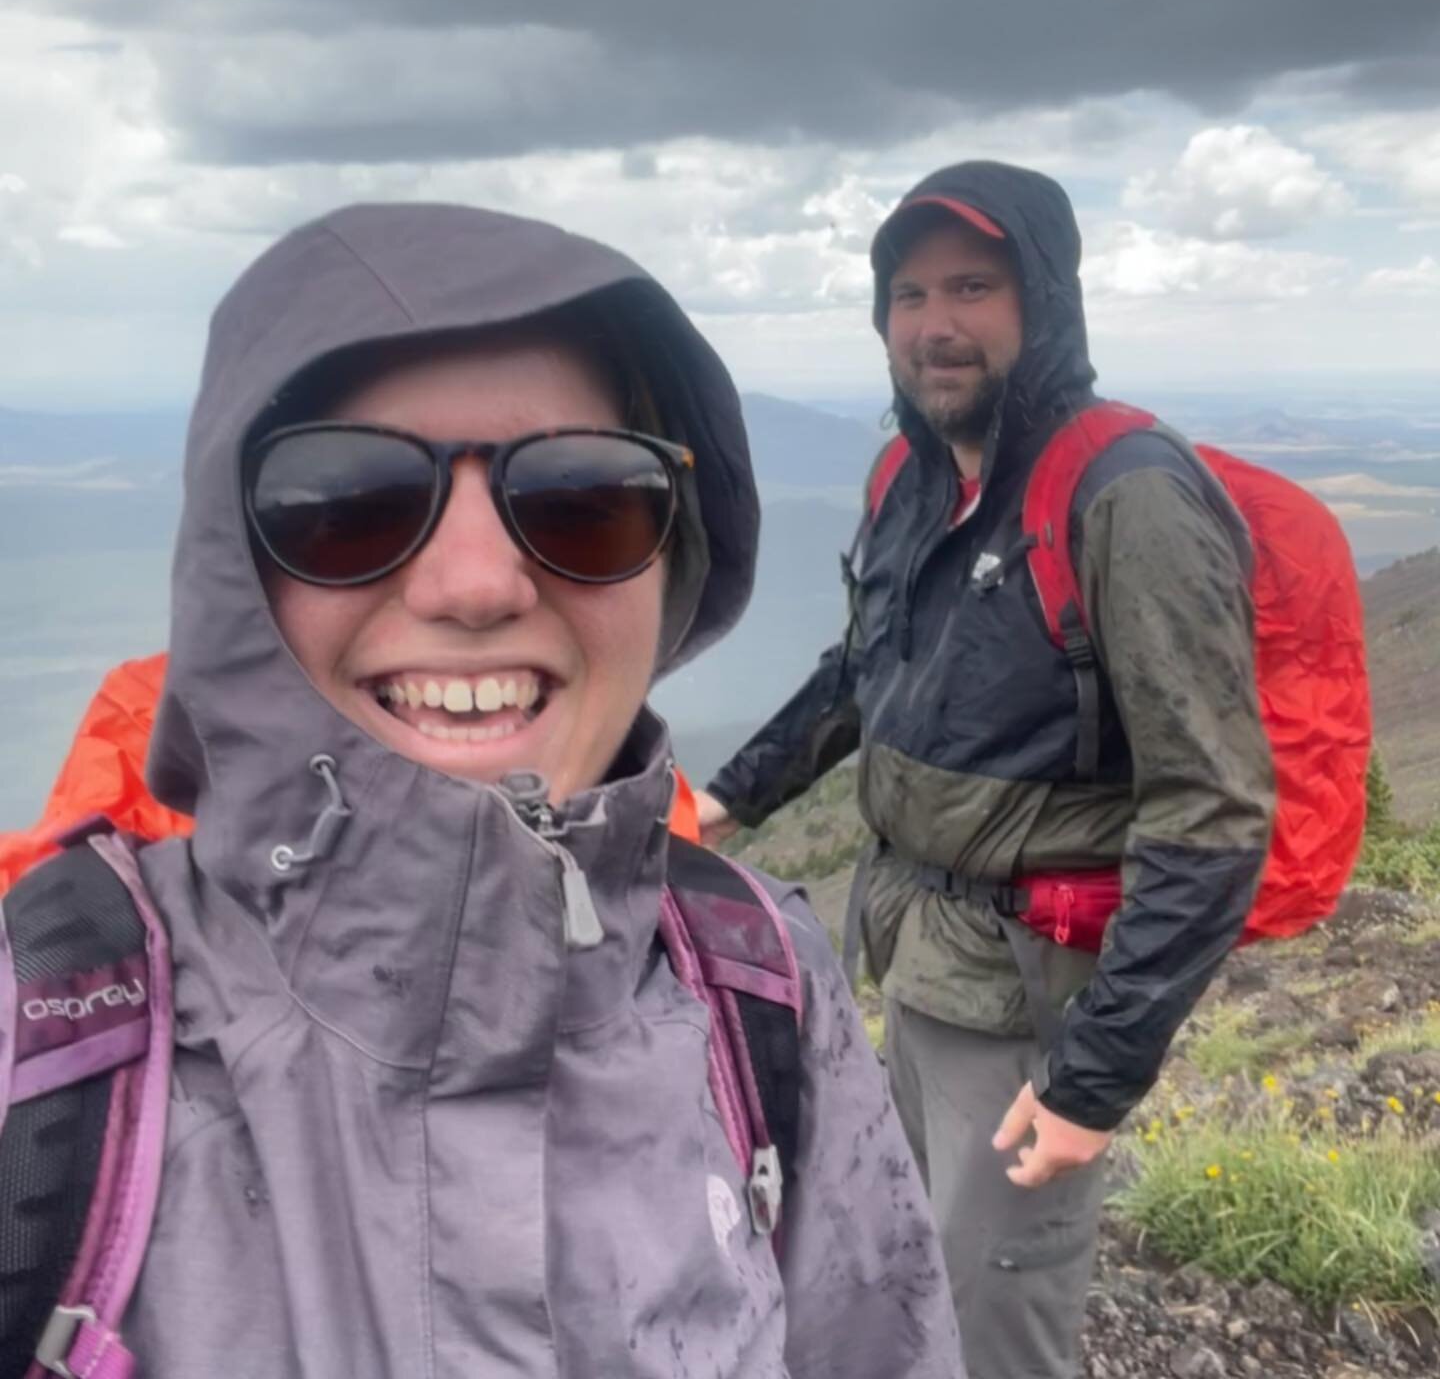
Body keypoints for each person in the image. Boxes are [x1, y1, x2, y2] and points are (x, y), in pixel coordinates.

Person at [2, 203, 963, 1377]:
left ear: (675, 558)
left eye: (585, 499)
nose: (475, 584)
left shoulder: (763, 990)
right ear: (229, 573)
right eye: (342, 504)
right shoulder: (36, 1041)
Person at [698, 161, 1275, 1378]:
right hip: (913, 955)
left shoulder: (1130, 496)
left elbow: (1216, 812)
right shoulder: (913, 476)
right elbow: (867, 673)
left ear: (1045, 300)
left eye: (973, 285)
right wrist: (730, 797)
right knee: (905, 1280)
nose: (935, 324)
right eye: (908, 295)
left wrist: (1091, 1083)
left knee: (991, 1328)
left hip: (1027, 999)